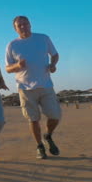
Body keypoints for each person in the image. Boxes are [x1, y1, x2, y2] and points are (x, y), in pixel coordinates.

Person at [5, 16, 61, 159]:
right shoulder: (12, 45)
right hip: (25, 88)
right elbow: (8, 68)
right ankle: (40, 146)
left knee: (55, 116)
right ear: (15, 29)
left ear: (30, 24)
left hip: (46, 85)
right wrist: (17, 66)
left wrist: (53, 65)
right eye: (19, 25)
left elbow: (55, 55)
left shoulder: (43, 38)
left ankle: (47, 135)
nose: (23, 27)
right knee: (33, 119)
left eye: (25, 24)